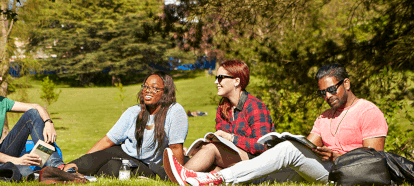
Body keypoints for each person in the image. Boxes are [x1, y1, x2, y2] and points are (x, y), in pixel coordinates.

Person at [165, 63, 389, 185]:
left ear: (346, 83)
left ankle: (218, 179)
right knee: (272, 167)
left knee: (286, 150)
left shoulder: (368, 111)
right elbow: (307, 147)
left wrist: (336, 157)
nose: (327, 96)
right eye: (322, 92)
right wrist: (306, 147)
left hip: (343, 172)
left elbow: (374, 162)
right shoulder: (324, 117)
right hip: (321, 168)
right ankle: (196, 178)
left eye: (331, 89)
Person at [165, 60, 274, 185]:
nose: (216, 82)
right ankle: (189, 177)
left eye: (220, 78)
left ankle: (181, 175)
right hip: (234, 161)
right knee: (209, 153)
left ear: (236, 81)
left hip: (258, 162)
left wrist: (231, 138)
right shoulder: (223, 107)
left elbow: (264, 146)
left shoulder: (254, 106)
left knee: (212, 149)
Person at [67, 71, 188, 179]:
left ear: (165, 92)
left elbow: (176, 147)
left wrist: (177, 177)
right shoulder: (133, 111)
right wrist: (86, 159)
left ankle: (78, 176)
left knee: (113, 168)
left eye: (154, 88)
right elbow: (108, 140)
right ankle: (61, 172)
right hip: (123, 152)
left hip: (148, 165)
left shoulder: (174, 111)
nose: (147, 90)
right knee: (88, 162)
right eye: (145, 86)